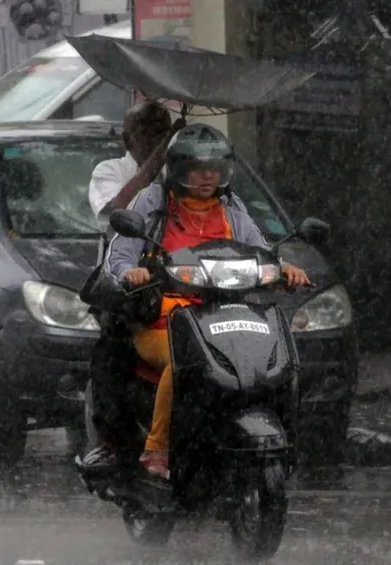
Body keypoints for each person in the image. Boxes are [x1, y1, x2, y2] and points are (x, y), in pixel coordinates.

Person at [102, 123, 310, 479]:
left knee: (275, 362)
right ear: (179, 168)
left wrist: (284, 267)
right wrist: (130, 273)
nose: (207, 177)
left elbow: (260, 249)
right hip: (165, 320)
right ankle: (157, 449)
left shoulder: (232, 208)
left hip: (228, 318)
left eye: (214, 169)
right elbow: (119, 256)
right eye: (198, 168)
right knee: (180, 362)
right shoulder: (152, 202)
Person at [87, 101, 185, 224]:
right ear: (127, 139)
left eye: (162, 133)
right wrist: (162, 151)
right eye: (148, 133)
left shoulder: (178, 172)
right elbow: (116, 211)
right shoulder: (108, 170)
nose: (156, 140)